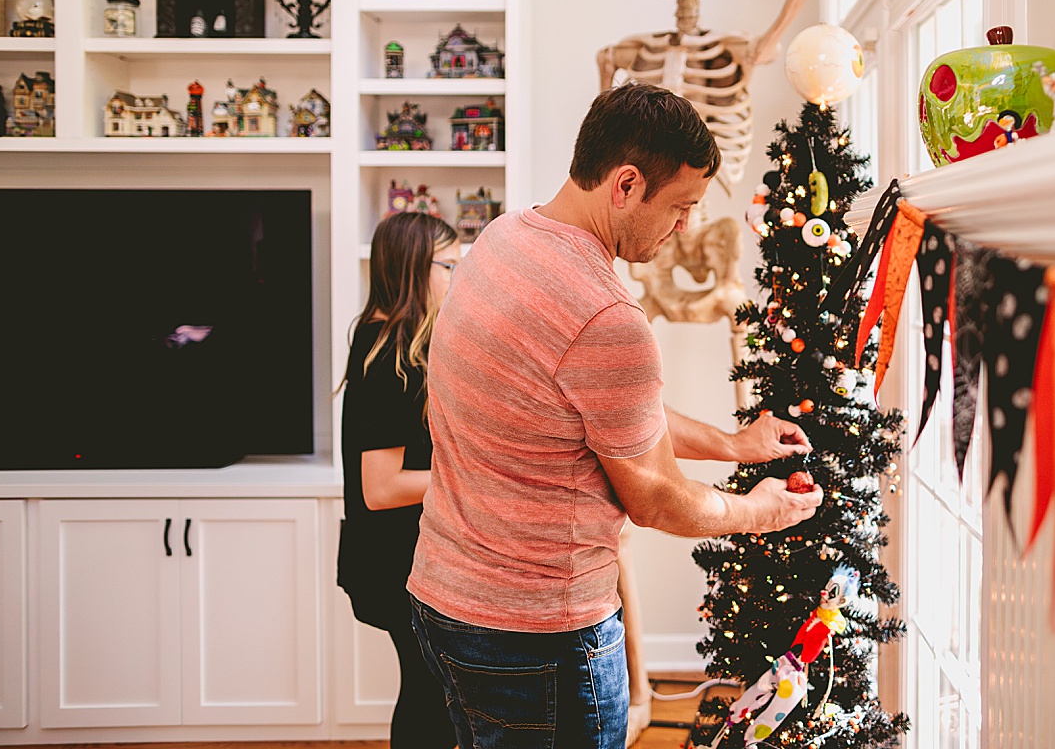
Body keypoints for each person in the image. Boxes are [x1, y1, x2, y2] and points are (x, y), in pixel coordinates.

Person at [408, 82, 823, 749]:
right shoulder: (606, 318)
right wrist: (760, 513)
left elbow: (596, 404)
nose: (685, 227)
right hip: (537, 640)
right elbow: (655, 499)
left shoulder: (501, 238)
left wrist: (734, 445)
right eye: (681, 206)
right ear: (626, 185)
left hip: (444, 601)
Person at [337, 211, 461, 749]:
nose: (458, 277)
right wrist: (470, 478)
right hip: (395, 563)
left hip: (403, 558)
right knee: (430, 695)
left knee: (432, 691)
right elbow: (380, 488)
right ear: (416, 268)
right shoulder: (388, 355)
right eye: (450, 265)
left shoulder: (396, 341)